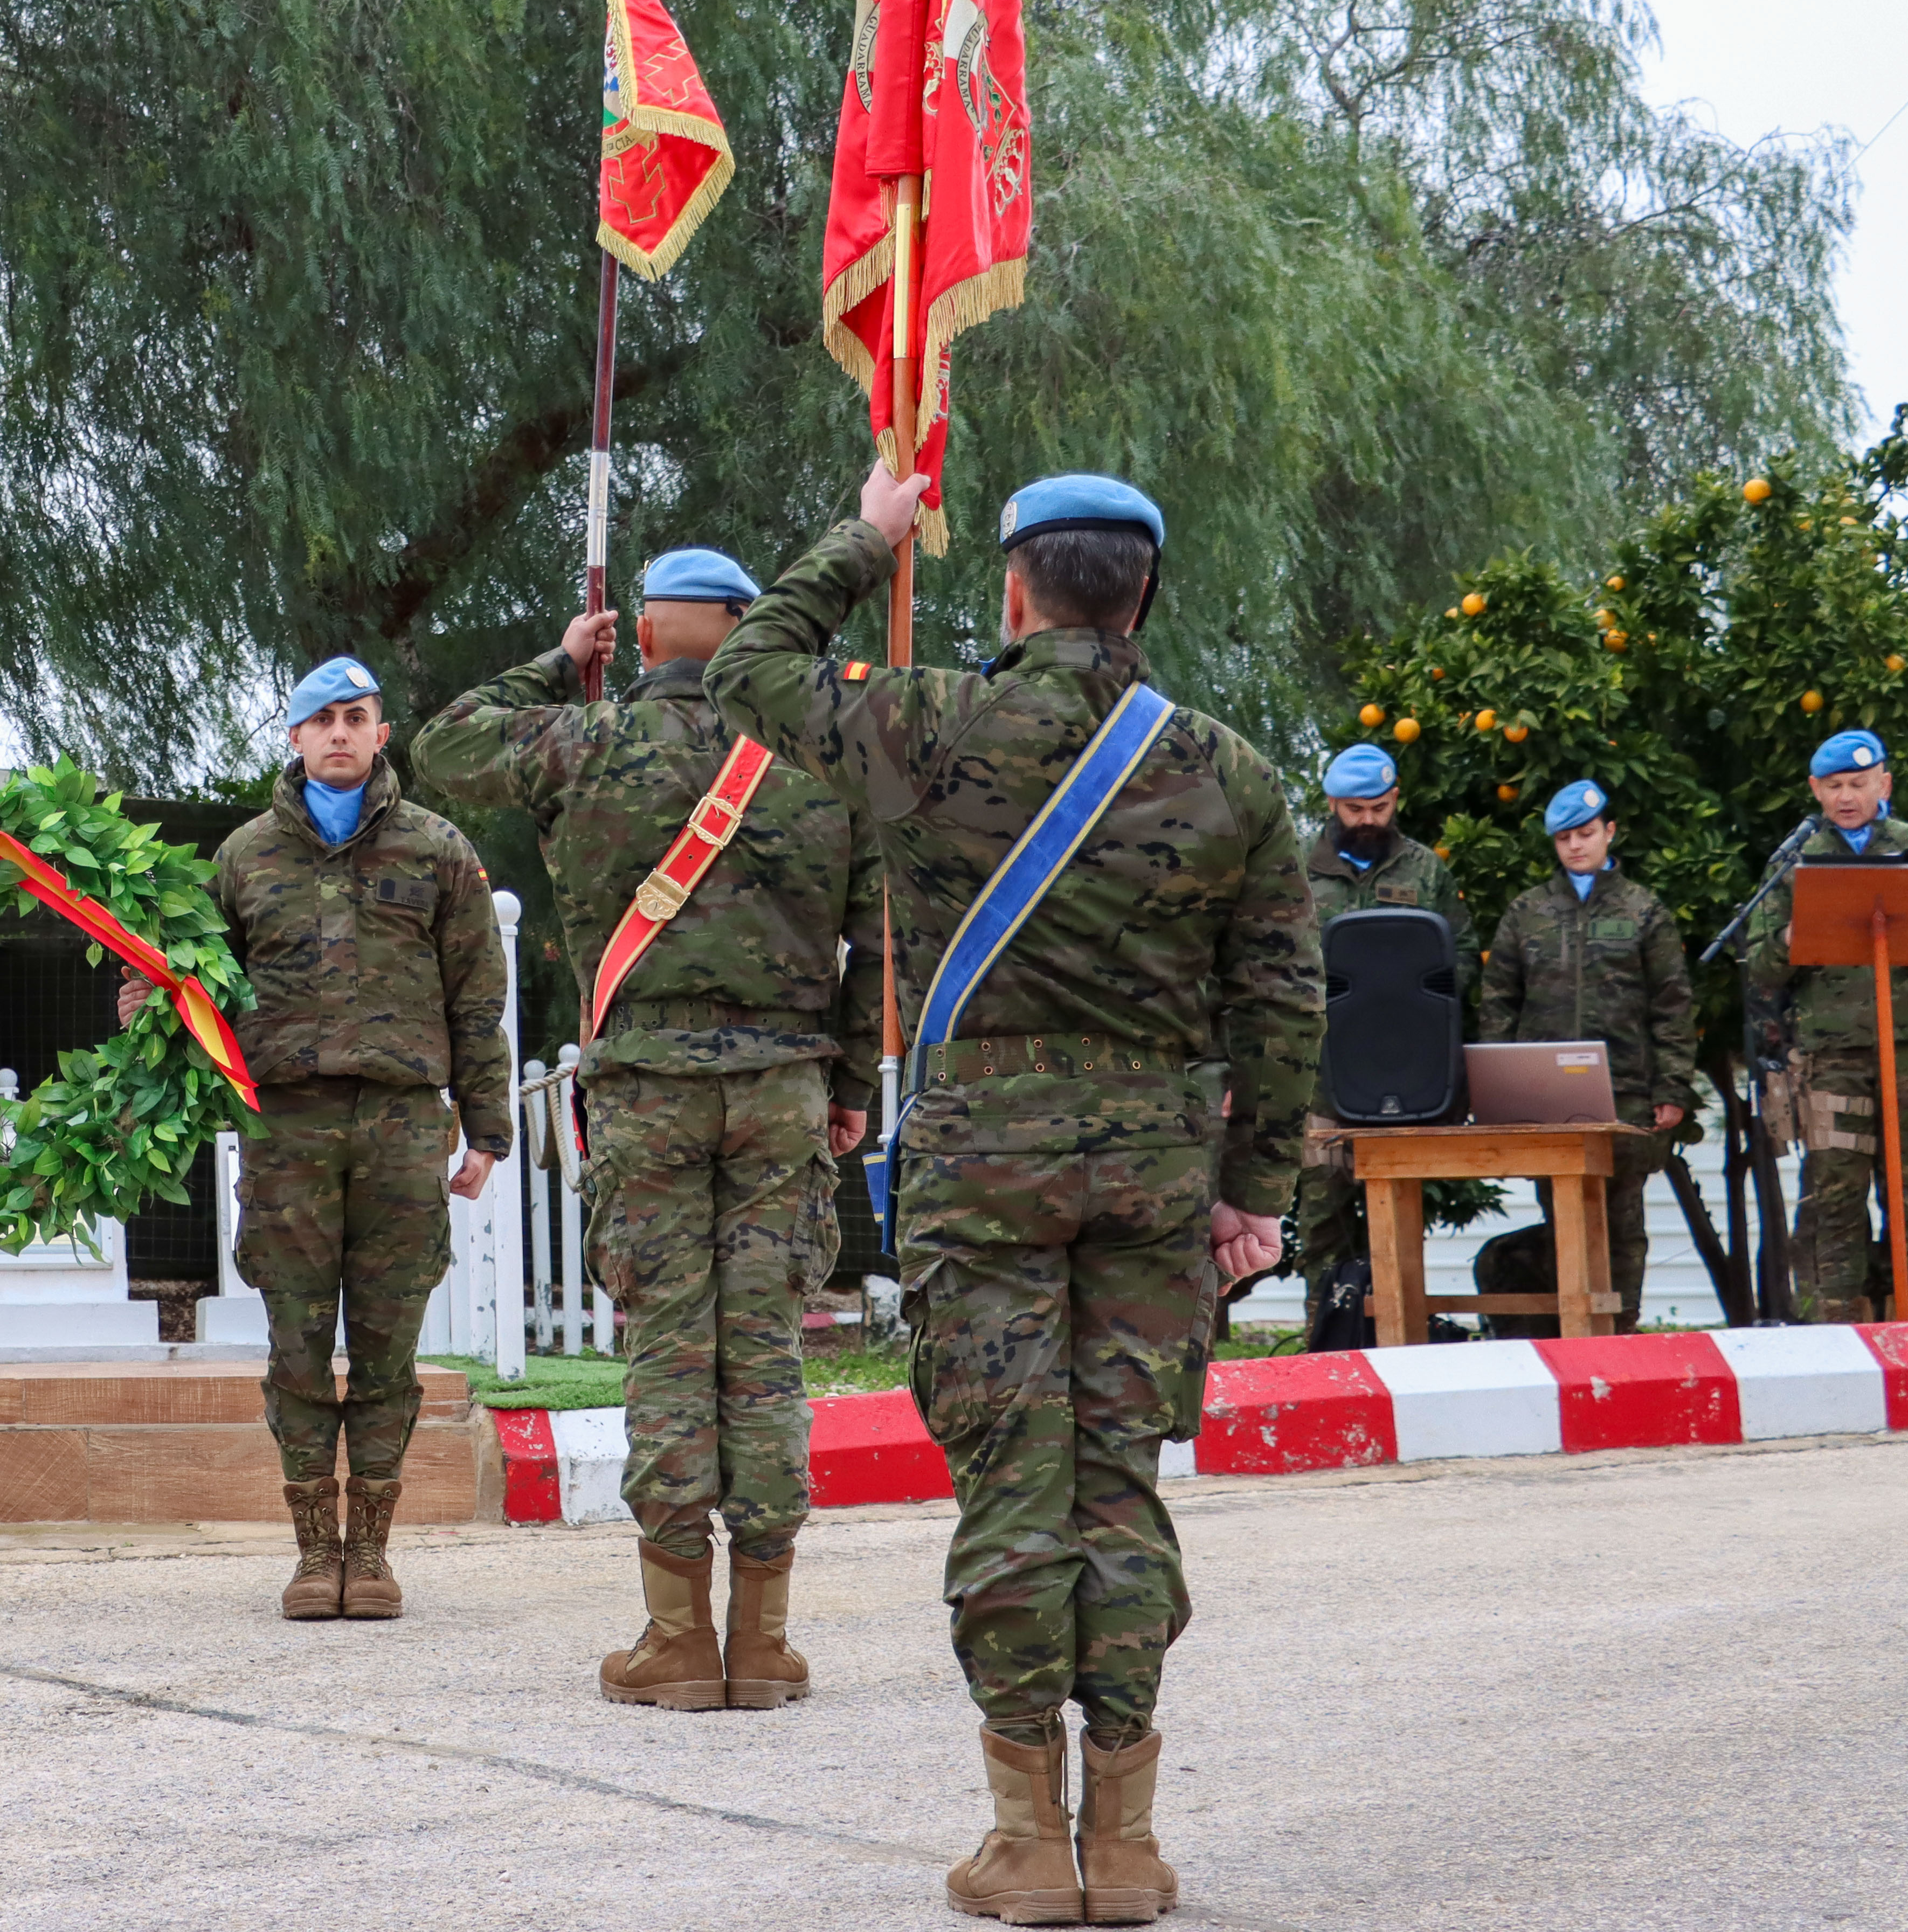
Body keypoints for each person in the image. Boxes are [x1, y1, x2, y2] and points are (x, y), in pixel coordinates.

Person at [706, 465, 1316, 1929]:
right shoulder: (1229, 769)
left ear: (1016, 590)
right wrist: (1254, 1189)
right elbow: (1285, 998)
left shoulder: (927, 725)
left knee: (1012, 1483)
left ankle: (1028, 1842)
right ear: (1144, 591)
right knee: (1118, 1483)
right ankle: (1131, 1841)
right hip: (1153, 1174)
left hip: (981, 1169)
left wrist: (868, 533)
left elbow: (746, 666)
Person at [418, 549, 880, 1710]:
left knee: (670, 1344)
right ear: (749, 629)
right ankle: (764, 1643)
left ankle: (676, 1641)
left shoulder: (586, 740)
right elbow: (877, 934)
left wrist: (558, 662)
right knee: (765, 1347)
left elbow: (445, 745)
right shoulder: (821, 756)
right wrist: (849, 1077)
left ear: (648, 635)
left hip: (647, 1085)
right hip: (785, 1082)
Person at [137, 657, 507, 1621]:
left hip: (401, 1125)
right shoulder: (244, 856)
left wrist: (487, 1130)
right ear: (295, 737)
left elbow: (477, 997)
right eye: (322, 719)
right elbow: (195, 985)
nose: (340, 732)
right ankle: (314, 1554)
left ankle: (371, 1553)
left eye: (356, 716)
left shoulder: (438, 849)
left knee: (388, 1345)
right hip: (287, 1126)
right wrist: (149, 1003)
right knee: (296, 1345)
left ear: (381, 732)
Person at [1742, 732, 1908, 1322]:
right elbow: (1760, 967)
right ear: (1816, 789)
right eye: (1834, 786)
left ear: (1883, 783)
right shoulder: (1795, 862)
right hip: (1832, 1052)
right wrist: (1794, 935)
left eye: (1858, 784)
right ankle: (1836, 1327)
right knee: (1834, 1193)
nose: (1846, 796)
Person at [1478, 780, 1695, 1335]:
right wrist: (1500, 1086)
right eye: (1565, 838)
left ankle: (1621, 1331)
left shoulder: (1643, 910)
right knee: (1561, 1215)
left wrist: (1672, 1087)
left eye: (1586, 834)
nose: (1576, 846)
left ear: (1609, 832)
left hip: (1625, 1091)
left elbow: (1672, 1004)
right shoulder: (1528, 912)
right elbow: (1499, 1001)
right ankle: (1573, 1336)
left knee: (1623, 1221)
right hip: (1547, 1094)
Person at [1295, 743, 1473, 1326]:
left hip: (1407, 1075)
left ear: (1395, 799)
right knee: (1322, 1218)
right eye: (1355, 809)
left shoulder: (1425, 869)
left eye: (1379, 807)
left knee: (1399, 1219)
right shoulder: (1297, 870)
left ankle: (1400, 1342)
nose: (1368, 820)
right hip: (1322, 1079)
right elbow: (1264, 960)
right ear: (1331, 804)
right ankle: (1326, 1342)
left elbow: (1461, 956)